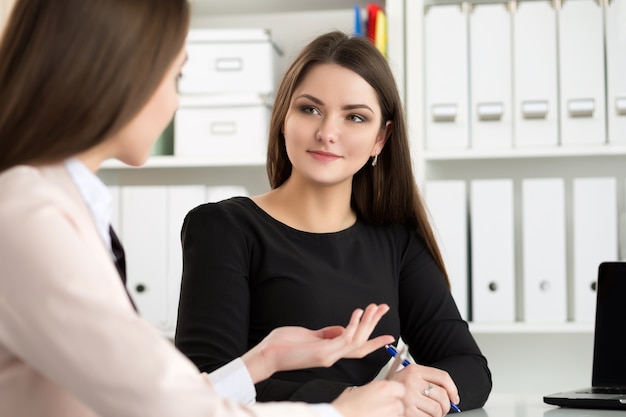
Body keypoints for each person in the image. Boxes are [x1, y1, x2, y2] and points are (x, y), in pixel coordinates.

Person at [0, 2, 407, 417]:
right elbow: (166, 409)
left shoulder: (49, 204)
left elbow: (153, 392)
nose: (175, 103)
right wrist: (343, 413)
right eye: (175, 76)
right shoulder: (28, 218)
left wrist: (263, 359)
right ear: (116, 69)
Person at [175, 30, 493, 417]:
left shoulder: (396, 239)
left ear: (381, 138)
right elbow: (209, 379)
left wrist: (415, 387)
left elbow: (470, 368)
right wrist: (364, 398)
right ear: (283, 116)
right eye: (309, 109)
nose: (327, 133)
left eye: (355, 117)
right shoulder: (223, 228)